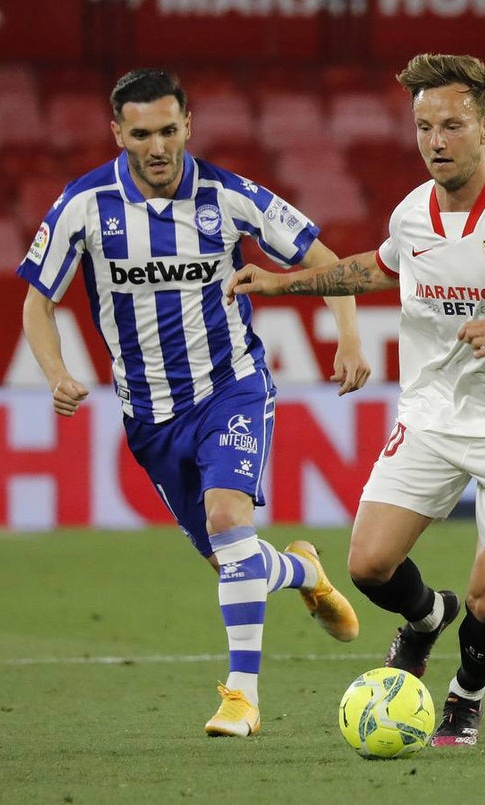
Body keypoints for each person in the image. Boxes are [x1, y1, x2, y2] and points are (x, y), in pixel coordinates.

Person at [226, 53, 485, 747]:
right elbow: (379, 269)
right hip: (435, 413)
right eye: (424, 127)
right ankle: (426, 617)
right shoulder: (412, 213)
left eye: (452, 125)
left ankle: (465, 698)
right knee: (367, 565)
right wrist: (283, 283)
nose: (436, 141)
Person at [18, 68, 372, 738]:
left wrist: (349, 337)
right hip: (150, 418)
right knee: (232, 559)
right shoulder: (83, 204)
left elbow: (325, 260)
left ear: (188, 124)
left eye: (168, 130)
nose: (157, 147)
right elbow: (38, 302)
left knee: (228, 518)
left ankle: (242, 697)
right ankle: (303, 570)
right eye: (141, 134)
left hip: (230, 387)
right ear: (117, 133)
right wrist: (57, 371)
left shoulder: (228, 195)